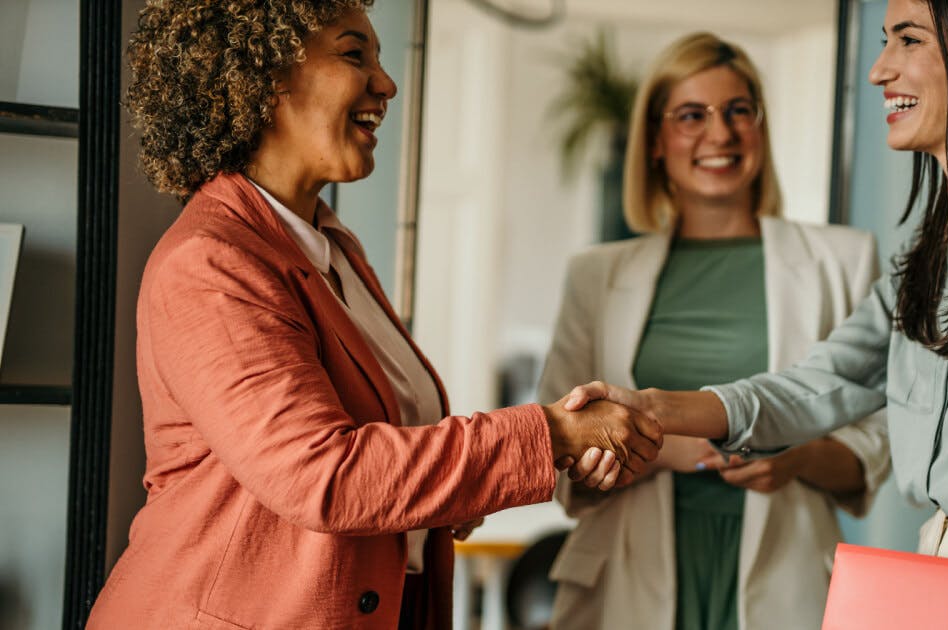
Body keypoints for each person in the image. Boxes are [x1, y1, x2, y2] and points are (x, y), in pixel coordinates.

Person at [565, 1, 948, 629]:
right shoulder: (936, 238)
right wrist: (656, 409)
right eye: (884, 41)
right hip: (943, 571)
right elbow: (827, 380)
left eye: (908, 40)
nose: (880, 70)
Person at [87, 2, 661, 628]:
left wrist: (477, 484)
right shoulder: (210, 262)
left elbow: (381, 458)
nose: (386, 85)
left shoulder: (332, 249)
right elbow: (325, 476)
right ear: (262, 76)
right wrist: (550, 436)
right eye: (354, 54)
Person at [539, 33, 890, 630]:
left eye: (738, 111)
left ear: (760, 126)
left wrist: (797, 457)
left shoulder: (844, 260)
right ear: (655, 139)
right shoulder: (595, 276)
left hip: (791, 582)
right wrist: (661, 450)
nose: (720, 134)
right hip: (625, 581)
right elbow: (555, 449)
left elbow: (878, 445)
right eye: (691, 116)